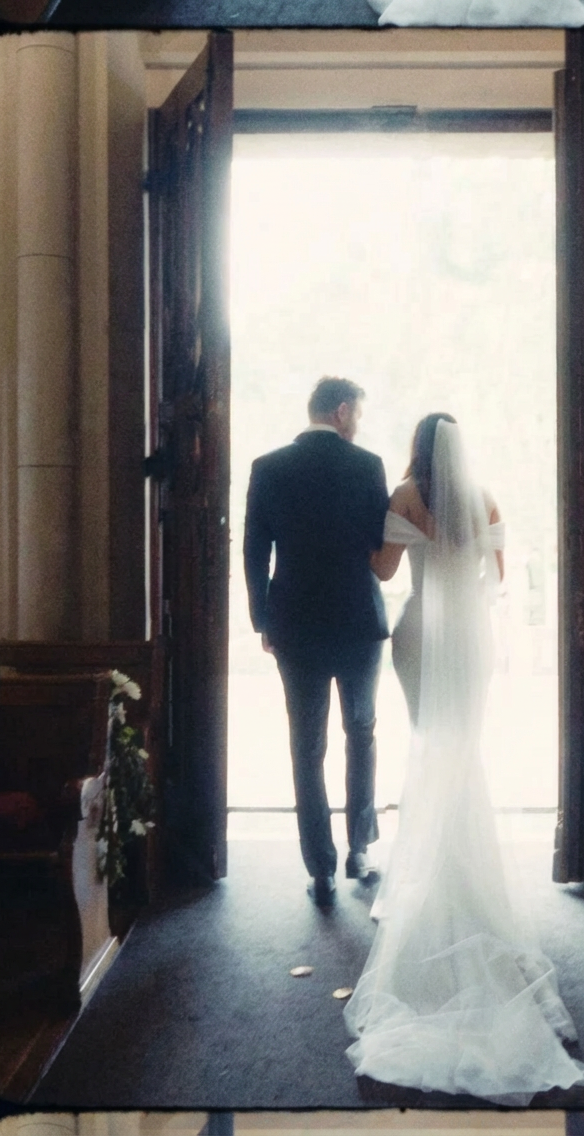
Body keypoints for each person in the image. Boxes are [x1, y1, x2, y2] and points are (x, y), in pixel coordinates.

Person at [342, 413, 584, 1104]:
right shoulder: (485, 499)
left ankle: (424, 867)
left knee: (429, 745)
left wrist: (375, 541)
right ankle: (463, 868)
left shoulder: (405, 496)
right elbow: (496, 577)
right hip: (471, 638)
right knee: (464, 750)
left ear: (418, 448)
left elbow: (383, 569)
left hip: (420, 632)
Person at [243, 377, 390, 906]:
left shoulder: (268, 467)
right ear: (342, 411)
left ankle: (321, 867)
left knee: (306, 746)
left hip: (295, 623)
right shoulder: (367, 465)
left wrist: (263, 619)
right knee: (361, 732)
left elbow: (254, 550)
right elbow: (379, 542)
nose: (359, 426)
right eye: (359, 415)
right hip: (357, 621)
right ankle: (359, 851)